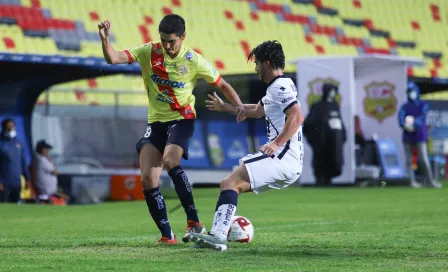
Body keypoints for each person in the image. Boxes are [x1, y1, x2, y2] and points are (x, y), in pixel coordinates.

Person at [98, 14, 245, 244]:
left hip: (182, 118)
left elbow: (223, 85)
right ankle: (167, 236)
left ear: (183, 37)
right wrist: (106, 40)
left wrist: (240, 108)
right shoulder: (149, 51)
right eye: (164, 41)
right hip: (156, 122)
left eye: (172, 42)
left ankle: (194, 220)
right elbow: (113, 58)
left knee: (171, 160)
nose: (167, 46)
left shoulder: (193, 60)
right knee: (147, 178)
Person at [186, 40, 304, 251]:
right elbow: (258, 111)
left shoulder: (281, 86)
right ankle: (216, 236)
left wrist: (276, 144)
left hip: (283, 157)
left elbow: (296, 116)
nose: (256, 68)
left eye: (257, 63)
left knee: (229, 183)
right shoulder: (277, 88)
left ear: (267, 63)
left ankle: (218, 237)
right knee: (233, 185)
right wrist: (227, 108)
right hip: (290, 163)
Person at [398, 82, 442, 188]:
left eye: (412, 91)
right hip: (408, 136)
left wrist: (413, 124)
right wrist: (404, 125)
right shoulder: (405, 106)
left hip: (419, 135)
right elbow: (400, 117)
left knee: (423, 159)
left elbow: (421, 117)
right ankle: (411, 181)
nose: (411, 94)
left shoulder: (423, 104)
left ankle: (430, 181)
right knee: (408, 160)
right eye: (409, 92)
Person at [303, 83, 346, 186]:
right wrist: (314, 139)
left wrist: (342, 137)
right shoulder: (317, 106)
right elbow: (309, 124)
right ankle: (321, 182)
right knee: (321, 165)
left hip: (334, 143)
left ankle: (329, 181)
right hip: (321, 144)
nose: (333, 93)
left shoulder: (334, 106)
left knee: (333, 162)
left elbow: (340, 123)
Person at [0, 119, 30, 203]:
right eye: (8, 127)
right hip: (4, 183)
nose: (11, 129)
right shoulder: (1, 143)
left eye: (12, 126)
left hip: (16, 182)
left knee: (15, 205)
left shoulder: (19, 143)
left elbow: (23, 163)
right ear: (3, 128)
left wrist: (27, 179)